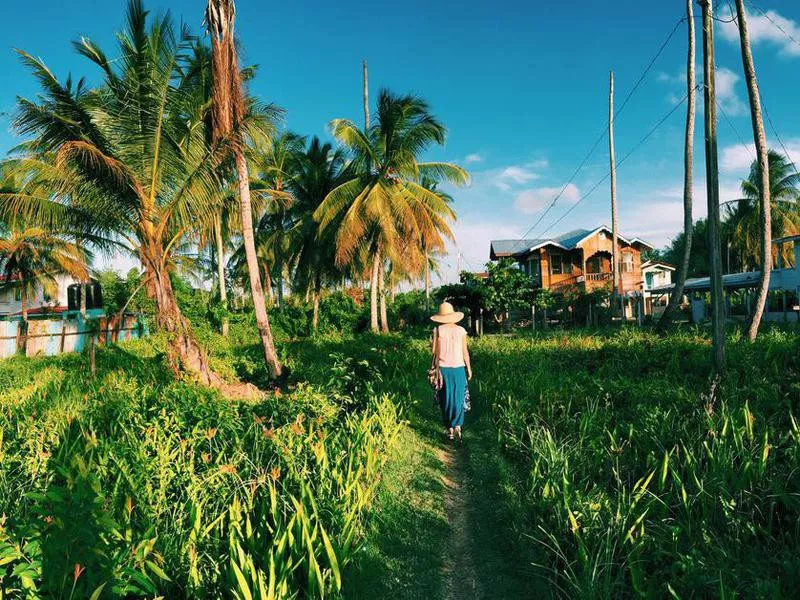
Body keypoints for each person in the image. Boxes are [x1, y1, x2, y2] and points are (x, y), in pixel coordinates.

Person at [430, 301, 472, 441]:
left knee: (445, 398)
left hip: (443, 369)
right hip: (459, 368)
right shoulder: (461, 331)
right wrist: (469, 368)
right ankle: (458, 426)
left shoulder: (437, 330)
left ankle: (450, 429)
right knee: (459, 398)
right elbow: (465, 351)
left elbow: (434, 352)